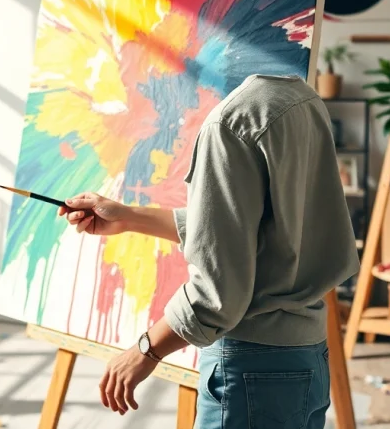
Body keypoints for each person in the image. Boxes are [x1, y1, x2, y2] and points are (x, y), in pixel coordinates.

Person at [58, 74, 361, 429]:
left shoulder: (229, 124)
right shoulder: (298, 99)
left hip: (251, 366)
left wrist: (145, 350)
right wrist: (127, 216)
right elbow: (244, 231)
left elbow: (218, 294)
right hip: (306, 357)